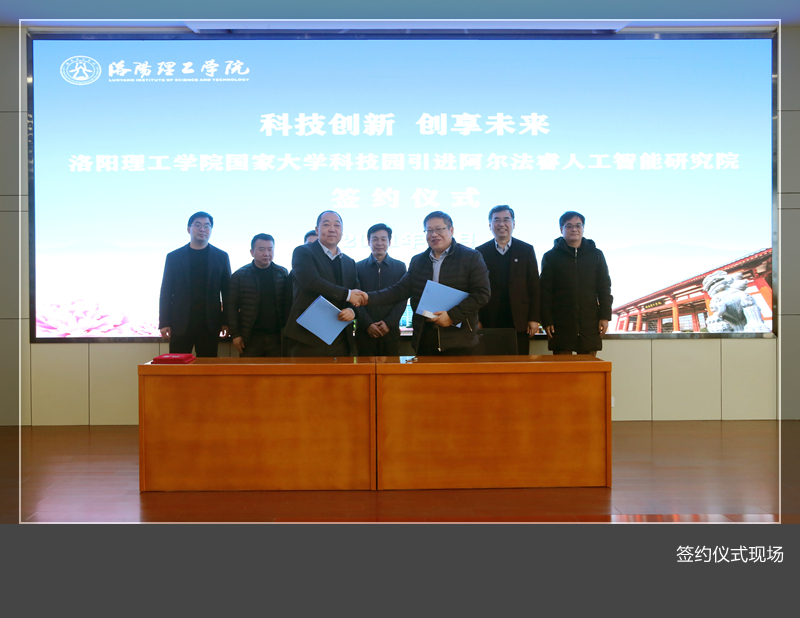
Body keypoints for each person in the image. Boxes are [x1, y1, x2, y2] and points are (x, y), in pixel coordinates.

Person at [364, 211, 490, 356]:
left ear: (451, 230)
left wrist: (452, 316)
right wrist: (367, 298)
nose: (434, 234)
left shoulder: (471, 257)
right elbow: (399, 290)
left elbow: (482, 294)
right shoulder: (418, 261)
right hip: (425, 336)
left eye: (439, 229)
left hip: (459, 338)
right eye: (429, 230)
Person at [283, 211, 367, 357]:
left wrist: (352, 311)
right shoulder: (303, 252)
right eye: (326, 224)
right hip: (308, 336)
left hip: (341, 339)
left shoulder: (349, 262)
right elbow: (311, 282)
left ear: (342, 231)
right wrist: (347, 295)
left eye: (337, 225)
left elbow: (356, 293)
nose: (332, 229)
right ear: (317, 230)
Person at [158, 211, 231, 357]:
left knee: (207, 367)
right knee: (178, 366)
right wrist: (164, 321)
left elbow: (227, 292)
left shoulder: (221, 256)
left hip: (209, 324)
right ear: (188, 229)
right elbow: (166, 291)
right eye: (197, 225)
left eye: (207, 226)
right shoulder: (174, 257)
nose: (202, 229)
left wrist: (226, 321)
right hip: (180, 323)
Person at [540, 211, 613, 356]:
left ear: (583, 228)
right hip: (561, 324)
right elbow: (544, 291)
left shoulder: (596, 255)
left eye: (578, 225)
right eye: (569, 226)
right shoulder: (551, 257)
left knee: (588, 369)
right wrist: (546, 320)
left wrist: (605, 316)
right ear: (561, 229)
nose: (574, 229)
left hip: (590, 323)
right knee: (562, 369)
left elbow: (604, 287)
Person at [476, 205, 541, 355]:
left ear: (513, 224)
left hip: (519, 320)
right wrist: (476, 319)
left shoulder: (526, 250)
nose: (501, 224)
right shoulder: (480, 252)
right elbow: (475, 288)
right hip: (489, 319)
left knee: (519, 363)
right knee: (491, 363)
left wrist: (534, 319)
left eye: (506, 220)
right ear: (490, 225)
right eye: (496, 220)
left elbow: (534, 286)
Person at [226, 234, 293, 357]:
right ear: (252, 252)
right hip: (250, 337)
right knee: (249, 369)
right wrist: (235, 335)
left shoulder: (282, 273)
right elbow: (231, 307)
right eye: (261, 249)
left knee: (277, 369)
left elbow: (288, 304)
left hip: (277, 337)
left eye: (270, 249)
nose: (266, 253)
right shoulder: (239, 275)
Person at [355, 223, 408, 356]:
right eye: (375, 239)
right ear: (368, 241)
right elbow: (355, 299)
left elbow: (403, 298)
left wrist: (388, 323)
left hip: (390, 331)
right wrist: (368, 324)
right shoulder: (357, 267)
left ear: (389, 241)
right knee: (364, 367)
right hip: (364, 331)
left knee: (390, 368)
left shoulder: (400, 267)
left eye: (383, 239)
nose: (379, 243)